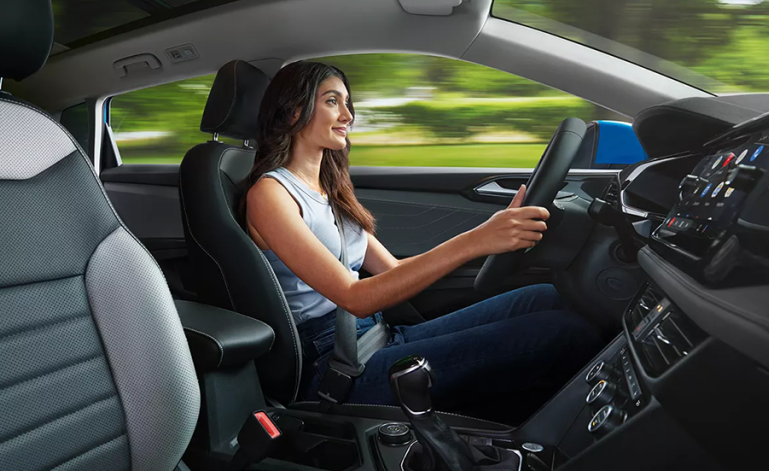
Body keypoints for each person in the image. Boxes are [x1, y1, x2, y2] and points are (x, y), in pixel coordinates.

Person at [243, 61, 601, 423]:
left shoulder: (329, 191)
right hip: (336, 367)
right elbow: (356, 297)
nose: (348, 115)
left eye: (348, 103)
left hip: (374, 337)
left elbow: (393, 271)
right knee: (562, 333)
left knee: (543, 297)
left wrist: (492, 236)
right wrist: (477, 240)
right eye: (332, 101)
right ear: (293, 112)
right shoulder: (271, 194)